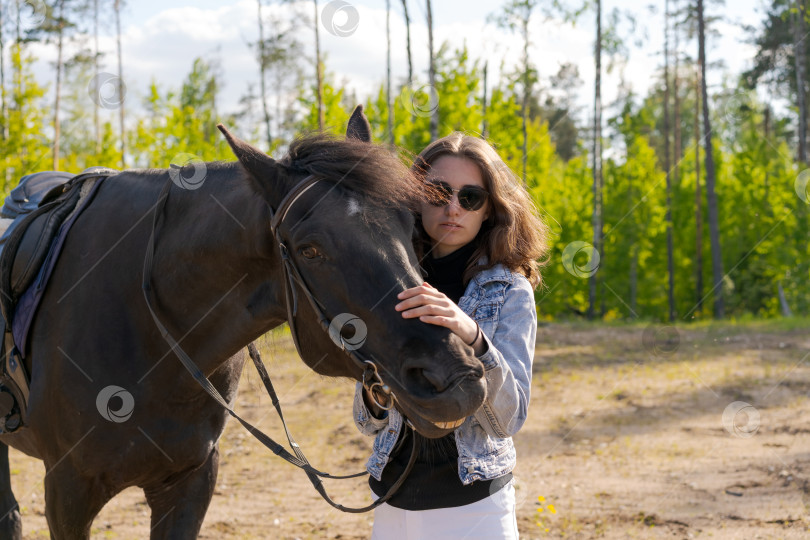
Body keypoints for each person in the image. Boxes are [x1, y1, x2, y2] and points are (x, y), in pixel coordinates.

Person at [353, 132, 551, 539]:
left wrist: (474, 337)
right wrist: (376, 384)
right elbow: (367, 423)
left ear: (489, 209)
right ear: (415, 196)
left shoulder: (509, 290)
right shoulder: (392, 284)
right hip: (392, 498)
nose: (453, 208)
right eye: (437, 192)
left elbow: (509, 419)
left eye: (471, 197)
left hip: (474, 506)